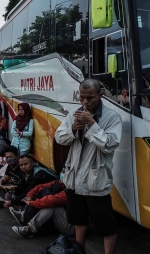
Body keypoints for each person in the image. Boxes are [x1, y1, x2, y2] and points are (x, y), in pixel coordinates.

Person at [54, 79, 122, 254]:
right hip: (74, 180)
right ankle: (79, 249)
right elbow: (59, 138)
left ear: (100, 95)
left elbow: (109, 144)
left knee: (106, 226)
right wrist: (73, 129)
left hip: (96, 183)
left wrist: (92, 124)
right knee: (79, 220)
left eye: (90, 98)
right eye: (82, 97)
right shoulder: (74, 114)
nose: (85, 102)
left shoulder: (112, 117)